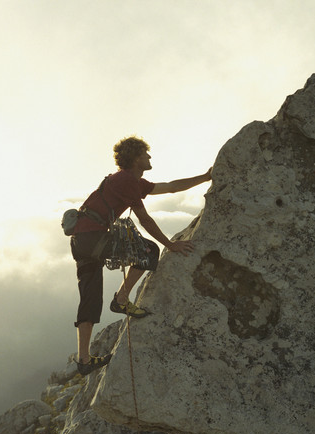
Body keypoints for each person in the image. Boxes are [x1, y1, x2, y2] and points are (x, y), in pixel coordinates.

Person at [70, 136, 212, 375]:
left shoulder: (130, 181)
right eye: (146, 154)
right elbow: (144, 219)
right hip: (94, 237)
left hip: (81, 241)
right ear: (136, 158)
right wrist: (171, 244)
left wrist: (205, 177)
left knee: (90, 299)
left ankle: (84, 360)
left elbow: (171, 186)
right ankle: (122, 300)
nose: (149, 157)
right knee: (149, 251)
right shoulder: (127, 180)